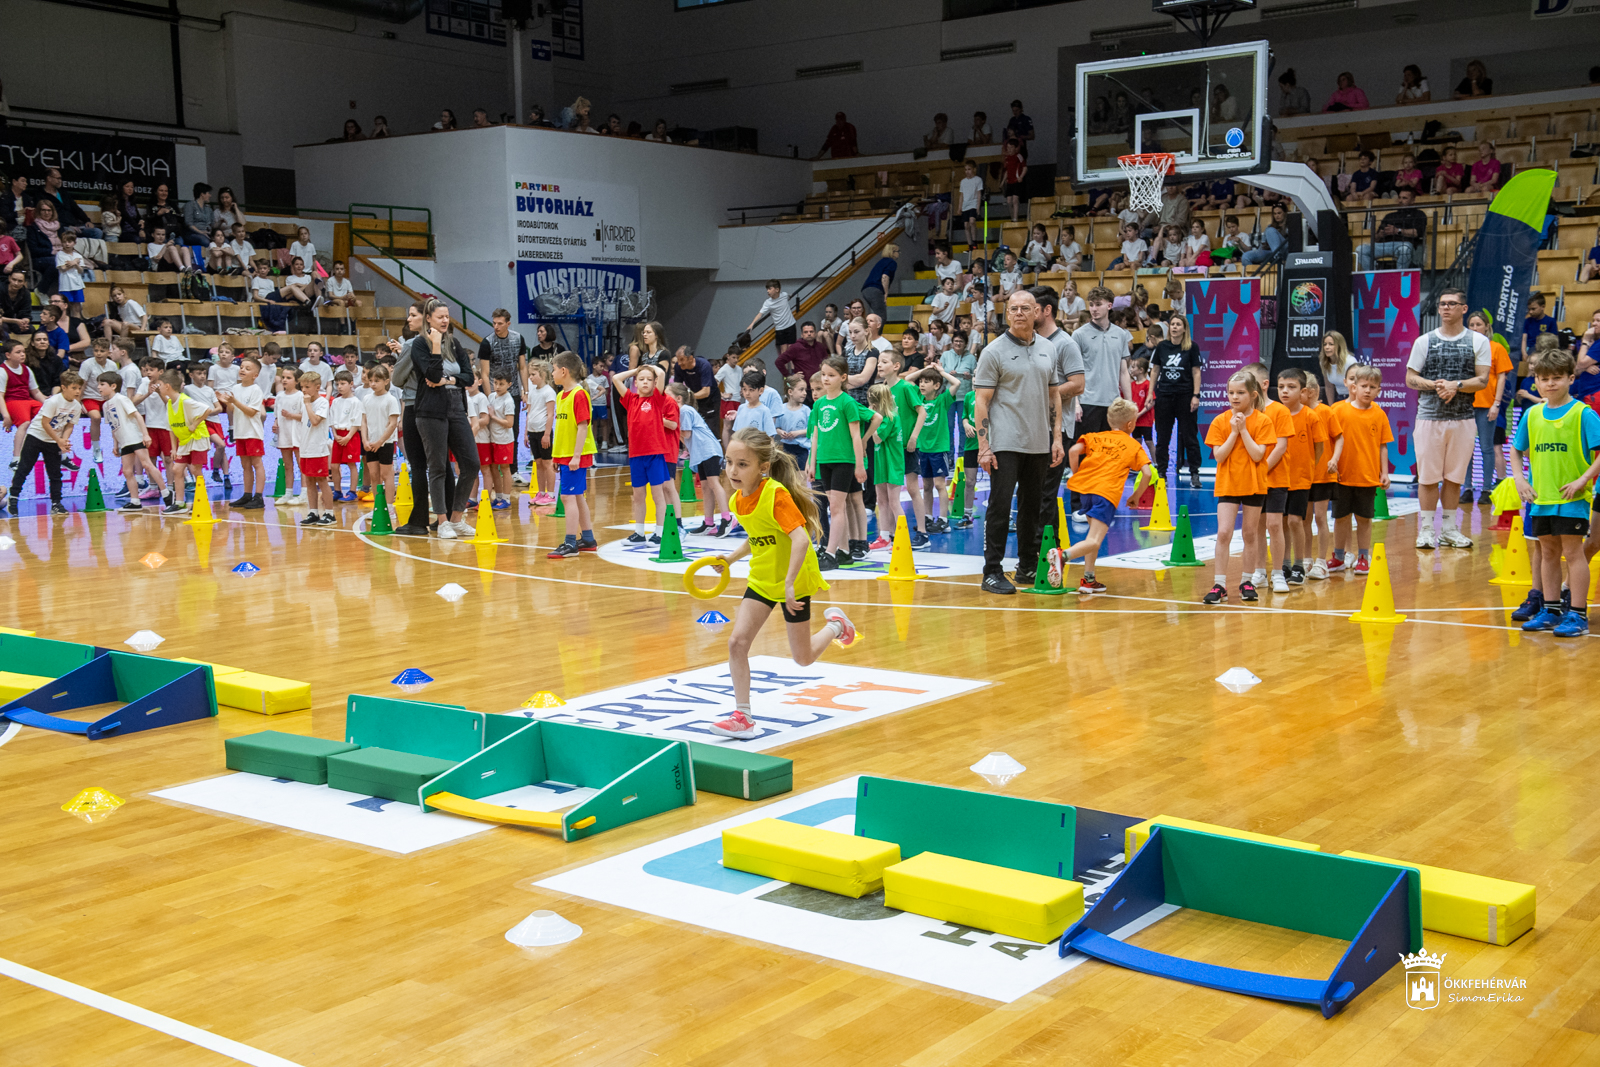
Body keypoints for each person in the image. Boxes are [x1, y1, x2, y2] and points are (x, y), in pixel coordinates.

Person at [706, 429, 857, 740]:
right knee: (737, 643)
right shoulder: (737, 500)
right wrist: (731, 559)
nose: (733, 471)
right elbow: (758, 536)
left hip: (795, 580)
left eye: (742, 464)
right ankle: (743, 716)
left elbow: (800, 540)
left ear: (763, 467)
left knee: (802, 658)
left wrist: (789, 584)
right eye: (729, 462)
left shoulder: (776, 495)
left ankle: (837, 627)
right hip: (763, 579)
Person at [973, 289, 1065, 595]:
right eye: (1013, 309)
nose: (1019, 314)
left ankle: (1027, 567)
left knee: (1033, 508)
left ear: (1038, 311)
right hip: (1005, 442)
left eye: (1026, 308)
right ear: (1007, 313)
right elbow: (981, 401)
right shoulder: (994, 351)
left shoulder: (1048, 349)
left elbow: (1054, 395)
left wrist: (1056, 437)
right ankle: (992, 571)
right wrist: (984, 446)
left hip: (1039, 442)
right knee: (999, 506)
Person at [1509, 346, 1600, 637]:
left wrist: (1583, 480)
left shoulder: (1583, 414)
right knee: (1548, 552)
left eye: (1557, 378)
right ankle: (1549, 609)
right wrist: (1520, 480)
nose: (1550, 384)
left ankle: (1577, 614)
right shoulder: (1533, 414)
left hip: (1571, 498)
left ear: (1571, 378)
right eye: (1544, 378)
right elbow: (1516, 449)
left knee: (1573, 553)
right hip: (1541, 497)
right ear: (1535, 380)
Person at [1408, 286, 1489, 549]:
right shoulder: (1424, 340)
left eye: (1452, 304)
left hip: (1464, 419)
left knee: (1455, 478)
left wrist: (1456, 385)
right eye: (1442, 303)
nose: (1445, 308)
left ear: (1463, 309)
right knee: (1428, 478)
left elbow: (1482, 379)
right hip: (1429, 418)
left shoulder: (1479, 341)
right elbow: (1410, 378)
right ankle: (1427, 530)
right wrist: (1436, 385)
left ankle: (1450, 529)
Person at [1051, 398, 1156, 595]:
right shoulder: (1133, 445)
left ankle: (1089, 579)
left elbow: (1073, 451)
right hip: (1106, 494)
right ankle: (1062, 555)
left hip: (1087, 492)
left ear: (1109, 421)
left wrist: (1077, 473)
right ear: (1131, 424)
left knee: (1092, 534)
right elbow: (1148, 474)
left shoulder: (1095, 437)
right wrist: (1135, 496)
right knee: (1095, 541)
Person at [1203, 371, 1275, 604]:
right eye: (1231, 392)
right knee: (1223, 533)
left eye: (1240, 393)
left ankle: (1247, 581)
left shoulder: (1263, 421)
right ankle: (1220, 585)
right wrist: (1233, 432)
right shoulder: (1220, 421)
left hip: (1254, 484)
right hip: (1228, 484)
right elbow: (1219, 455)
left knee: (1250, 533)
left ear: (1253, 395)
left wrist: (1243, 429)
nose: (1234, 397)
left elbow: (1257, 455)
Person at [412, 299, 481, 539]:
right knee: (438, 466)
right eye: (440, 317)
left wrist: (449, 380)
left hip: (456, 408)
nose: (444, 321)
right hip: (430, 411)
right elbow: (431, 374)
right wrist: (434, 345)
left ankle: (456, 519)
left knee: (472, 463)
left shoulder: (455, 342)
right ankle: (442, 522)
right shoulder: (420, 344)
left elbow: (469, 377)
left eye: (447, 316)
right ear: (428, 319)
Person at [1326, 365, 1393, 575]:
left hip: (1367, 477)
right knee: (1341, 517)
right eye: (1364, 385)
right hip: (1342, 476)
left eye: (1373, 387)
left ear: (1379, 391)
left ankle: (1363, 556)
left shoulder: (1379, 414)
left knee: (1364, 518)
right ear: (1353, 387)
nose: (1367, 390)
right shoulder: (1337, 410)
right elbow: (1331, 440)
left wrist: (1384, 472)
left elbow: (1383, 445)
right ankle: (1338, 556)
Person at [806, 356, 869, 571]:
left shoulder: (847, 402)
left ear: (842, 378)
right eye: (823, 374)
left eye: (831, 375)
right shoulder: (819, 404)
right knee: (835, 507)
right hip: (824, 460)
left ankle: (831, 553)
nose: (825, 379)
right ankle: (843, 551)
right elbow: (815, 436)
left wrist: (859, 465)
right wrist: (812, 463)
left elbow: (855, 437)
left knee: (837, 507)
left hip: (843, 460)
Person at [1, 369, 84, 515]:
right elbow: (45, 423)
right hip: (36, 436)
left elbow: (70, 425)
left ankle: (56, 503)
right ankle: (13, 499)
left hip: (54, 441)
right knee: (24, 468)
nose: (77, 391)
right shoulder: (53, 401)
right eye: (74, 388)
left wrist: (63, 440)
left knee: (55, 473)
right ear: (64, 387)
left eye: (79, 388)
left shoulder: (77, 406)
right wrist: (59, 439)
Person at [614, 364, 678, 543]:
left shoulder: (657, 399)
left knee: (658, 495)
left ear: (654, 383)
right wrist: (636, 371)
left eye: (649, 380)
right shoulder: (631, 399)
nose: (645, 382)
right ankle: (639, 533)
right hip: (636, 456)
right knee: (638, 496)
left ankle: (659, 532)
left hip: (655, 454)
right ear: (635, 382)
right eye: (641, 379)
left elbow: (662, 373)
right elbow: (616, 379)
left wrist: (650, 368)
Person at [546, 350, 598, 557]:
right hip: (566, 455)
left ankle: (570, 544)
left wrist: (575, 456)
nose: (552, 373)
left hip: (576, 455)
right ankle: (587, 538)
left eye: (554, 369)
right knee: (576, 497)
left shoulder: (579, 394)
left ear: (564, 371)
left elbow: (583, 427)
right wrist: (557, 457)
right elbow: (562, 431)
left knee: (567, 497)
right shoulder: (561, 396)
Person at [1464, 310, 1514, 505]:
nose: (1475, 328)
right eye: (1472, 325)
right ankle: (1467, 488)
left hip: (1487, 404)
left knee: (1487, 447)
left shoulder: (1496, 348)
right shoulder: (1465, 348)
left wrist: (1496, 404)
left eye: (1478, 324)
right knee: (1466, 448)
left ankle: (1486, 489)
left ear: (1487, 327)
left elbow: (1501, 378)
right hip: (1466, 404)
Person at [667, 381, 730, 535]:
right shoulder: (679, 412)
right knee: (706, 487)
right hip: (700, 452)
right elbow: (684, 438)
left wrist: (670, 426)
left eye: (667, 396)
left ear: (679, 398)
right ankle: (709, 522)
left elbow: (686, 433)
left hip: (708, 450)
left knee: (714, 484)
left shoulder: (685, 411)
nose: (664, 399)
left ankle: (727, 519)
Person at [911, 363, 962, 532]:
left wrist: (941, 372)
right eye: (921, 381)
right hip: (923, 450)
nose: (922, 384)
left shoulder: (942, 400)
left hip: (939, 449)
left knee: (940, 485)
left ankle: (943, 519)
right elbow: (907, 379)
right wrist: (924, 369)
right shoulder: (918, 399)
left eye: (926, 381)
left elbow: (957, 384)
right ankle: (927, 517)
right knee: (926, 486)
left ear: (937, 386)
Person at [218, 355, 266, 508]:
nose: (242, 370)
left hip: (252, 432)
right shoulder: (235, 388)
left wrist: (234, 402)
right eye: (241, 367)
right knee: (245, 465)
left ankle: (259, 497)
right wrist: (227, 403)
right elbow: (232, 410)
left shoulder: (256, 390)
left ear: (255, 375)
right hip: (240, 432)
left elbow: (251, 412)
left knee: (256, 463)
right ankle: (247, 494)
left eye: (247, 368)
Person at [291, 370, 334, 525]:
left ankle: (329, 513)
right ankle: (313, 512)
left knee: (322, 481)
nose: (303, 390)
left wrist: (308, 404)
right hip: (306, 448)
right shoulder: (305, 403)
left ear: (317, 387)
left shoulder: (322, 403)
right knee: (309, 481)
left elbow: (315, 421)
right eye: (302, 386)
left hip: (318, 448)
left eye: (307, 387)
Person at [1303, 383, 1336, 578]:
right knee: (1304, 519)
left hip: (1323, 474)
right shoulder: (1295, 413)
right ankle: (1306, 560)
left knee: (1320, 517)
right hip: (1304, 476)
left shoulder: (1325, 412)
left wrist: (1334, 459)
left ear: (1311, 392)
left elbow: (1338, 437)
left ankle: (1321, 562)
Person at [866, 382, 905, 547]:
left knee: (894, 501)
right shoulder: (884, 417)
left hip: (893, 463)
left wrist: (870, 418)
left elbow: (877, 438)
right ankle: (884, 536)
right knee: (881, 500)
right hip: (881, 461)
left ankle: (902, 539)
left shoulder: (889, 417)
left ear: (875, 404)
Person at [1358, 188, 1427, 271]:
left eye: (1404, 198)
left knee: (1405, 248)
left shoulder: (1419, 214)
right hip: (1384, 245)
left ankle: (1400, 276)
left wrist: (1398, 231)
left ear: (1413, 200)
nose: (1401, 200)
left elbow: (1417, 233)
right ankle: (1373, 276)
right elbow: (1375, 238)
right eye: (1400, 198)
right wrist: (1380, 234)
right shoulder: (1389, 215)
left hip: (1403, 244)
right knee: (1360, 249)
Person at [522, 359, 557, 504]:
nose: (530, 377)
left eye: (533, 374)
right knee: (538, 463)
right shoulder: (532, 393)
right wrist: (525, 432)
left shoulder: (549, 392)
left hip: (544, 431)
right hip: (533, 431)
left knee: (547, 463)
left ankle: (551, 494)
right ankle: (541, 492)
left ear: (542, 374)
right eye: (529, 374)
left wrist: (547, 434)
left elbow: (550, 414)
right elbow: (529, 413)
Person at [326, 372, 362, 502]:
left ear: (351, 384)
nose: (339, 387)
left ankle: (352, 491)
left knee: (351, 464)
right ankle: (337, 491)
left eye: (342, 384)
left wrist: (348, 437)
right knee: (334, 466)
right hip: (338, 436)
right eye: (337, 384)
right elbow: (332, 420)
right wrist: (335, 435)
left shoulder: (356, 402)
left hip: (350, 436)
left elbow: (357, 423)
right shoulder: (335, 402)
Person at [774, 321, 828, 402]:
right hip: (806, 390)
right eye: (806, 332)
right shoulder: (796, 347)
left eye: (811, 331)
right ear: (802, 335)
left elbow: (827, 363)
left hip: (821, 387)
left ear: (815, 333)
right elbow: (779, 362)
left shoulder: (820, 346)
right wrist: (789, 376)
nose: (809, 334)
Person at [748, 279, 796, 355]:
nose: (767, 291)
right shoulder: (768, 303)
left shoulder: (784, 295)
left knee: (792, 348)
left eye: (770, 289)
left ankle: (794, 367)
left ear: (777, 289)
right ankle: (786, 367)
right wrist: (752, 324)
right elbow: (760, 314)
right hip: (780, 328)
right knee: (784, 351)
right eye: (767, 289)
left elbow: (789, 296)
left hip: (790, 325)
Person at [859, 244, 898, 324]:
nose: (898, 254)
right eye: (898, 251)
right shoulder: (892, 262)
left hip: (866, 289)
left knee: (874, 316)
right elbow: (885, 277)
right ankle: (876, 336)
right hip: (876, 289)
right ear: (892, 252)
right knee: (881, 317)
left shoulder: (881, 262)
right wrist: (885, 294)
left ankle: (871, 334)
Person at [1318, 330, 1358, 405]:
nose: (1327, 347)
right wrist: (1331, 406)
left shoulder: (1350, 361)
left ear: (1339, 346)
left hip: (1353, 397)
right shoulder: (1323, 362)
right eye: (1325, 344)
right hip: (1339, 398)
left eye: (1331, 344)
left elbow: (1357, 385)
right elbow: (1329, 386)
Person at [958, 160, 984, 251]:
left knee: (972, 221)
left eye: (969, 169)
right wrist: (959, 207)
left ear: (974, 169)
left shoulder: (978, 180)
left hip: (973, 203)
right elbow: (961, 195)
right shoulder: (963, 182)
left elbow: (979, 193)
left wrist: (978, 207)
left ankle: (974, 242)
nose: (967, 171)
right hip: (965, 204)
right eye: (965, 170)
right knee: (966, 225)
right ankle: (969, 245)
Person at [1001, 138, 1027, 222]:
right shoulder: (1007, 158)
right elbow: (1007, 171)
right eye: (1008, 147)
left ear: (1015, 148)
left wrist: (1021, 177)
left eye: (1011, 147)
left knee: (1015, 200)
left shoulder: (1018, 156)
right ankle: (1012, 217)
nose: (1009, 149)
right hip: (1009, 182)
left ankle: (1015, 218)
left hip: (1016, 181)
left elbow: (1025, 168)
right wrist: (1002, 182)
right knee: (1009, 201)